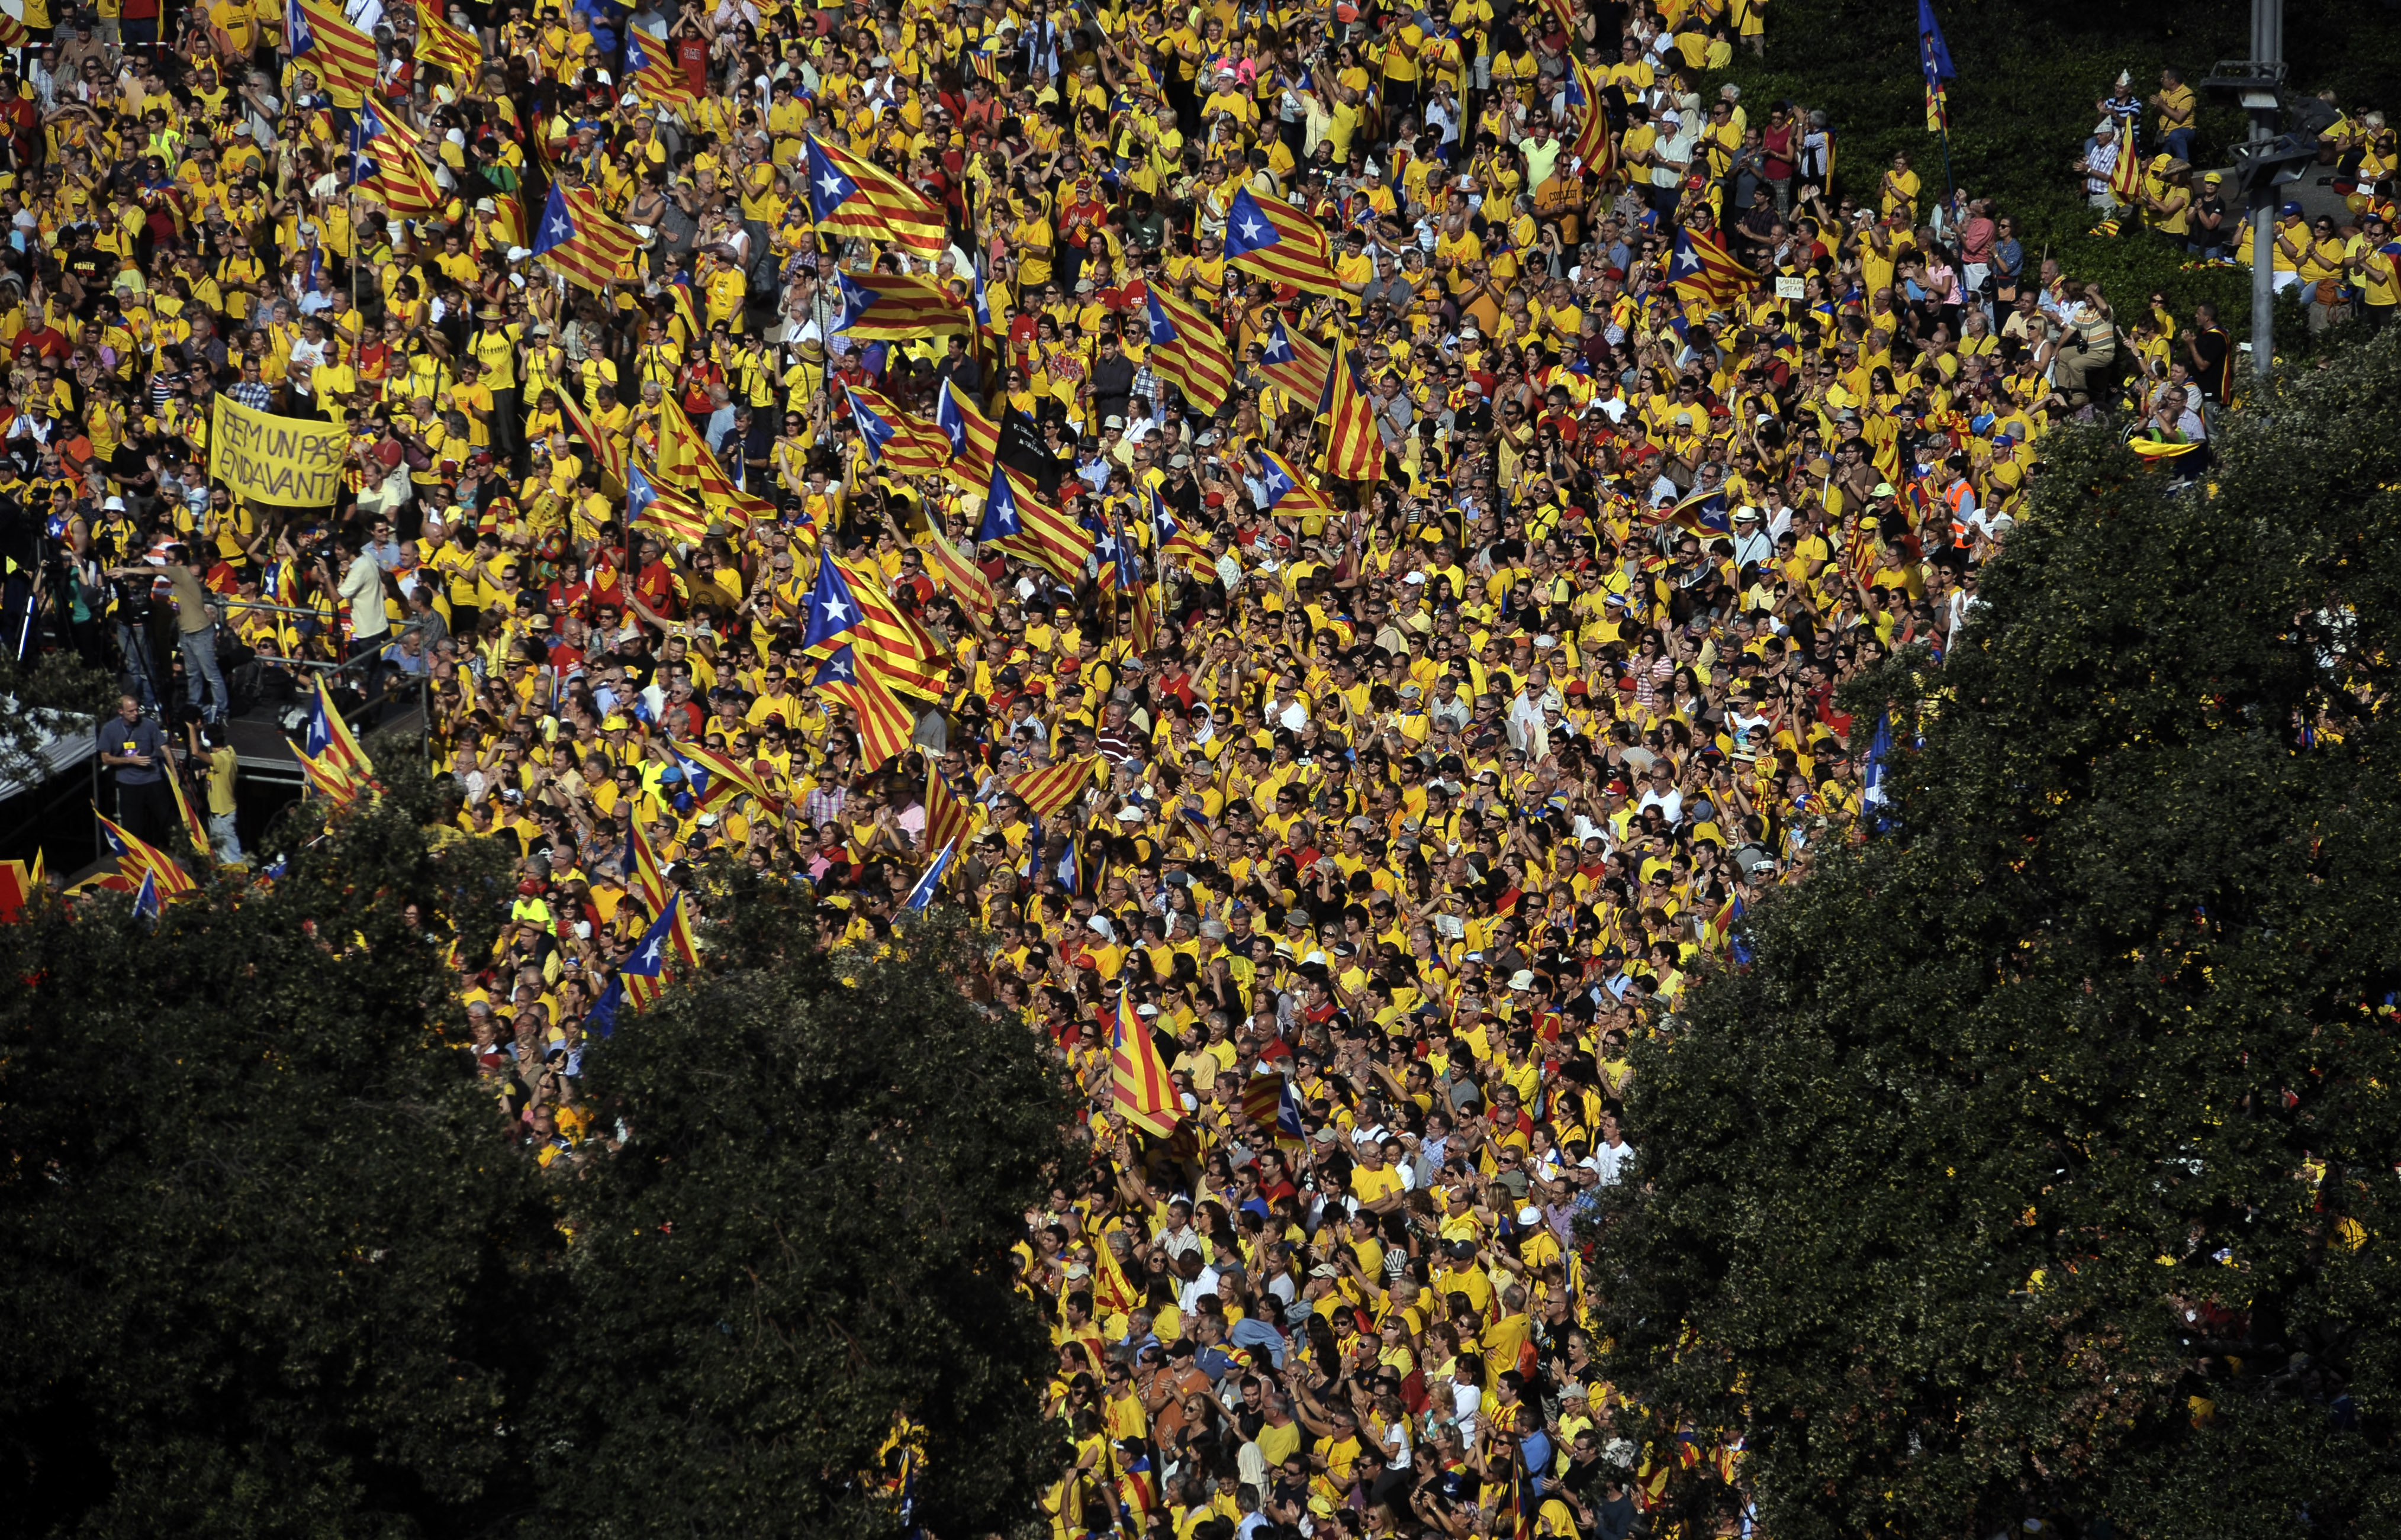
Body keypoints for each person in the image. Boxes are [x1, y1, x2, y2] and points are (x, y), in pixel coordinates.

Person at [99, 693, 174, 848]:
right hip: (129, 782)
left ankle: (181, 854)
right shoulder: (110, 729)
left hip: (153, 779)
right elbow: (105, 758)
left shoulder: (148, 724)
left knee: (169, 820)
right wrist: (129, 760)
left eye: (136, 710)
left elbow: (165, 748)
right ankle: (137, 859)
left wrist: (174, 773)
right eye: (131, 711)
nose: (135, 714)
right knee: (133, 826)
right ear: (121, 711)